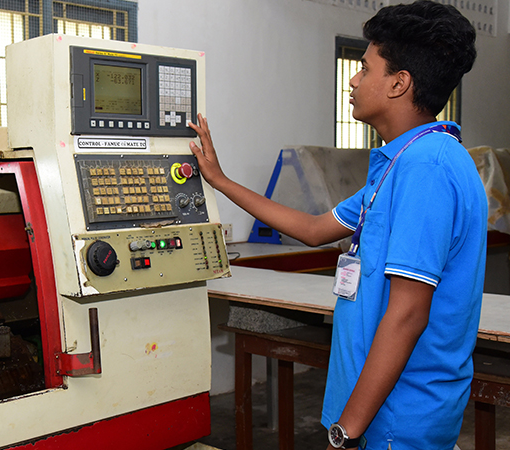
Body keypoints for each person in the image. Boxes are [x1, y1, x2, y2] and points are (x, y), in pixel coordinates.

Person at [188, 1, 485, 449]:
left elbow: (407, 315)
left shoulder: (428, 168)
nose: (353, 80)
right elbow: (312, 229)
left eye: (365, 68)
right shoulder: (401, 161)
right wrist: (220, 180)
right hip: (379, 411)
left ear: (399, 83)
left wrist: (346, 431)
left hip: (396, 418)